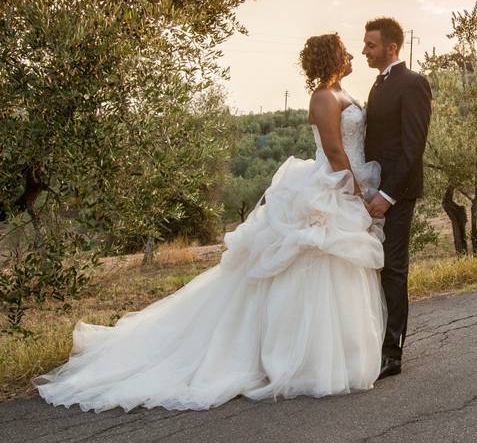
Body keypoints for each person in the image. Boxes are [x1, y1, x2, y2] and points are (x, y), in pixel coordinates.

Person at [34, 34, 387, 412]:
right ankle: (305, 360)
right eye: (346, 50)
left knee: (334, 269)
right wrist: (357, 196)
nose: (353, 54)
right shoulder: (322, 97)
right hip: (333, 186)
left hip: (345, 183)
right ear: (332, 57)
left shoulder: (341, 91)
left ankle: (333, 354)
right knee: (312, 266)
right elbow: (334, 152)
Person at [362, 17, 432, 379]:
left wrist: (388, 195)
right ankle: (375, 342)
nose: (364, 51)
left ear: (391, 47)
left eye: (370, 45)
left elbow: (412, 146)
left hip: (397, 194)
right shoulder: (377, 85)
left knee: (393, 268)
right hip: (373, 192)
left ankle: (392, 353)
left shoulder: (414, 83)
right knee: (374, 266)